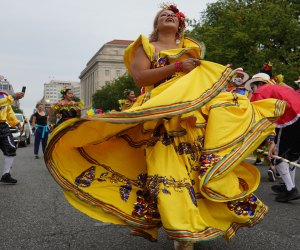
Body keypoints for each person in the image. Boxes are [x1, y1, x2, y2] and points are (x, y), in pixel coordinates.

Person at [44, 4, 286, 249]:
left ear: (180, 25)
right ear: (156, 24)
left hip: (190, 119)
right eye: (163, 15)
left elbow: (201, 86)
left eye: (173, 15)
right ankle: (181, 232)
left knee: (195, 171)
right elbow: (140, 78)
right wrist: (177, 67)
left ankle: (194, 224)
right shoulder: (145, 46)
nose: (168, 16)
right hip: (159, 118)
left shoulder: (191, 50)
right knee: (168, 172)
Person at [245, 74, 300, 202]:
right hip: (297, 116)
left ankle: (291, 189)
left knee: (277, 155)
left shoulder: (259, 93)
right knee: (292, 156)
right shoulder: (280, 89)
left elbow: (257, 118)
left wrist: (271, 141)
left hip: (291, 119)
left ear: (258, 84)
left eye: (252, 86)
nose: (252, 90)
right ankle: (288, 185)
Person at [0, 91, 24, 184]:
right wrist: (13, 97)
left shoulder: (4, 96)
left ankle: (5, 175)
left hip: (3, 126)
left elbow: (9, 113)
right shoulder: (8, 98)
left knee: (11, 148)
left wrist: (17, 123)